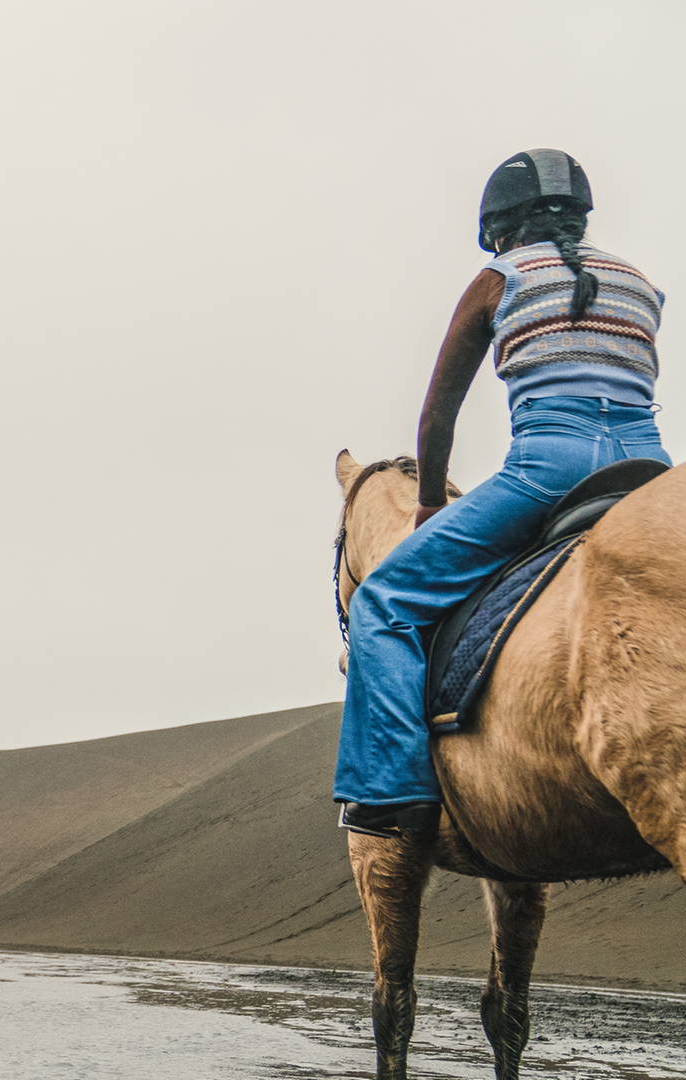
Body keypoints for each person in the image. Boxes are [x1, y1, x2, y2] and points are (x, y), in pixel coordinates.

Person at [335, 149, 669, 838]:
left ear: (502, 228)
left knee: (383, 602)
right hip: (651, 465)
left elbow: (438, 413)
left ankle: (393, 792)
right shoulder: (640, 283)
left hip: (548, 466)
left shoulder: (500, 277)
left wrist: (430, 502)